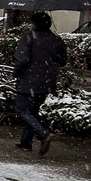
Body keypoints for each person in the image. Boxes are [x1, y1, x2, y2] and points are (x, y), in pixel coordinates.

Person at [13, 11, 67, 155]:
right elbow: (62, 61)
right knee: (33, 111)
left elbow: (23, 60)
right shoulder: (56, 40)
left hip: (29, 80)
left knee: (22, 110)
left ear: (35, 24)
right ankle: (25, 143)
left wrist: (16, 72)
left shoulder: (29, 38)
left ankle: (43, 134)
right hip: (47, 82)